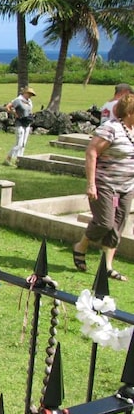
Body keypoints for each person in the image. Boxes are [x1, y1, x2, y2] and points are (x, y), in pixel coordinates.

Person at [72, 92, 134, 281]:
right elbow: (91, 152)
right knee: (105, 222)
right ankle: (81, 245)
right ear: (130, 112)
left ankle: (107, 266)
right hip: (105, 184)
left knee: (118, 225)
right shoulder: (111, 129)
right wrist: (91, 184)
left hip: (127, 186)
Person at [4, 86, 36, 165]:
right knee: (19, 144)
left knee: (23, 144)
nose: (30, 96)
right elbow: (8, 107)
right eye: (29, 94)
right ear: (25, 93)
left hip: (27, 123)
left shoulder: (29, 101)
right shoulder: (18, 100)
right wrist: (15, 113)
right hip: (20, 123)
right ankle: (8, 158)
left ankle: (19, 160)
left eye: (31, 94)